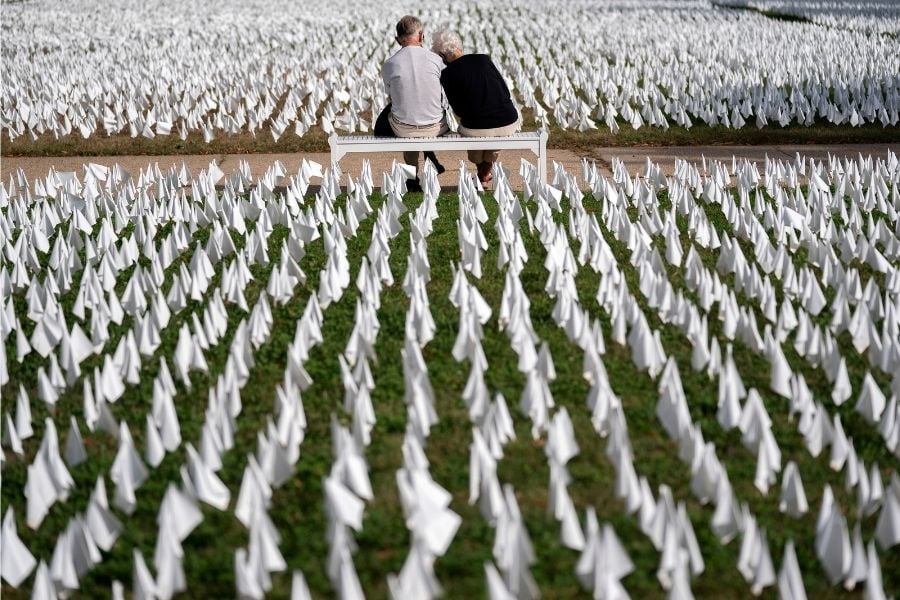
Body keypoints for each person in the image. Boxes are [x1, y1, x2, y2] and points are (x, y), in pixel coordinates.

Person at [431, 31, 520, 186]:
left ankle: (482, 175)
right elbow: (505, 91)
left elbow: (458, 110)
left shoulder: (447, 74)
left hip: (477, 127)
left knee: (473, 133)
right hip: (508, 120)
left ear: (442, 55)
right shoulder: (484, 59)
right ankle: (484, 176)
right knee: (493, 135)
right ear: (458, 46)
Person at [375, 15, 447, 192]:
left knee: (402, 116)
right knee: (423, 110)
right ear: (421, 35)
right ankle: (431, 158)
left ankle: (412, 178)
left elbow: (393, 97)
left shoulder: (389, 64)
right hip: (434, 126)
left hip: (404, 128)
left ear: (397, 39)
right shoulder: (436, 60)